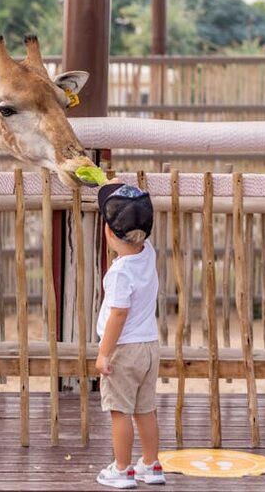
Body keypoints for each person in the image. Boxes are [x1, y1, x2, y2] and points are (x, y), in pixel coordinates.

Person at [94, 182, 166, 489]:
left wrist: (104, 353)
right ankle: (152, 464)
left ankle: (122, 470)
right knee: (145, 409)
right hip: (149, 348)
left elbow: (118, 315)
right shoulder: (147, 253)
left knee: (120, 412)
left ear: (109, 234)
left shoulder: (120, 273)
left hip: (124, 351)